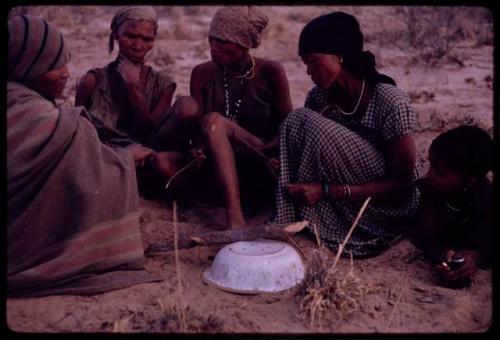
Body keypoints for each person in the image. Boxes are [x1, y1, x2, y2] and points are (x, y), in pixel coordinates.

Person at [7, 15, 159, 297]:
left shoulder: (159, 80)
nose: (65, 73)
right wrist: (125, 160)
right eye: (52, 66)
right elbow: (80, 159)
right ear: (25, 65)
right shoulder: (37, 113)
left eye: (65, 62)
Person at [274, 12, 420, 258]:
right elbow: (312, 149)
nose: (308, 71)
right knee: (298, 124)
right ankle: (289, 221)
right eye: (304, 64)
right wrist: (285, 162)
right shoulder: (318, 97)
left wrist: (328, 191)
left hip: (388, 207)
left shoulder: (390, 101)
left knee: (298, 118)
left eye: (312, 61)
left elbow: (403, 184)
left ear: (339, 55)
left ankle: (283, 221)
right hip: (346, 194)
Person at [76, 6, 201, 198]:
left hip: (148, 159)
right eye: (130, 36)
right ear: (116, 34)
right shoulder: (92, 81)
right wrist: (120, 152)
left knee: (186, 106)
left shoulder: (163, 83)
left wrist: (134, 88)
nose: (138, 45)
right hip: (110, 162)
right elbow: (79, 132)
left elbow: (152, 134)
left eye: (147, 39)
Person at [190, 6, 292, 229]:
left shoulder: (271, 72)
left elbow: (288, 127)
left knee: (214, 121)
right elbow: (198, 130)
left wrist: (271, 153)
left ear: (245, 43)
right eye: (212, 39)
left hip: (260, 159)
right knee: (164, 164)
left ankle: (235, 218)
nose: (214, 48)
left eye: (224, 42)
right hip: (218, 165)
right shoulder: (201, 74)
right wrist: (198, 148)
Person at [410, 125, 492, 288]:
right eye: (431, 166)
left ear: (469, 182)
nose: (429, 175)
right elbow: (423, 234)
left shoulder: (486, 201)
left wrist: (475, 258)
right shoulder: (429, 192)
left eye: (439, 173)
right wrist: (441, 255)